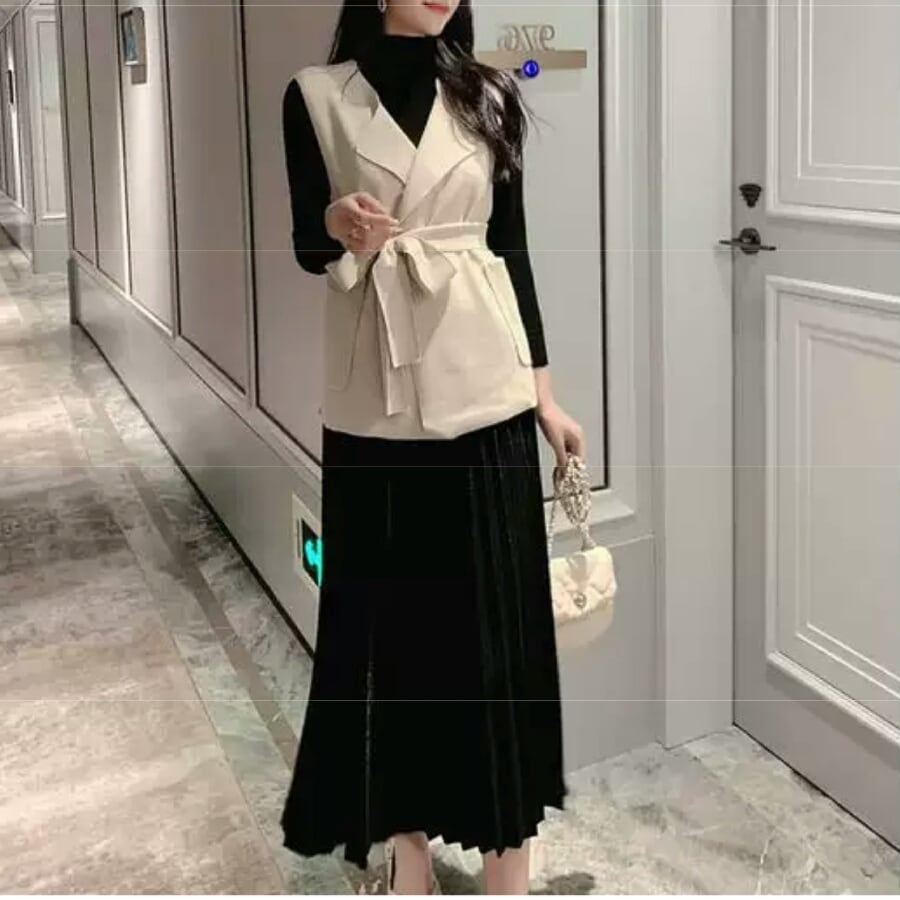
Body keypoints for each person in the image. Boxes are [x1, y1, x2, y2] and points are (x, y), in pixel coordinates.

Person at [279, 0, 585, 893]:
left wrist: (545, 396)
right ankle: (405, 846)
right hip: (374, 397)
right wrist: (338, 225)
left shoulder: (491, 92)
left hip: (487, 388)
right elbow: (306, 243)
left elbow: (512, 249)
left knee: (497, 636)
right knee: (392, 636)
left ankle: (508, 859)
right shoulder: (315, 95)